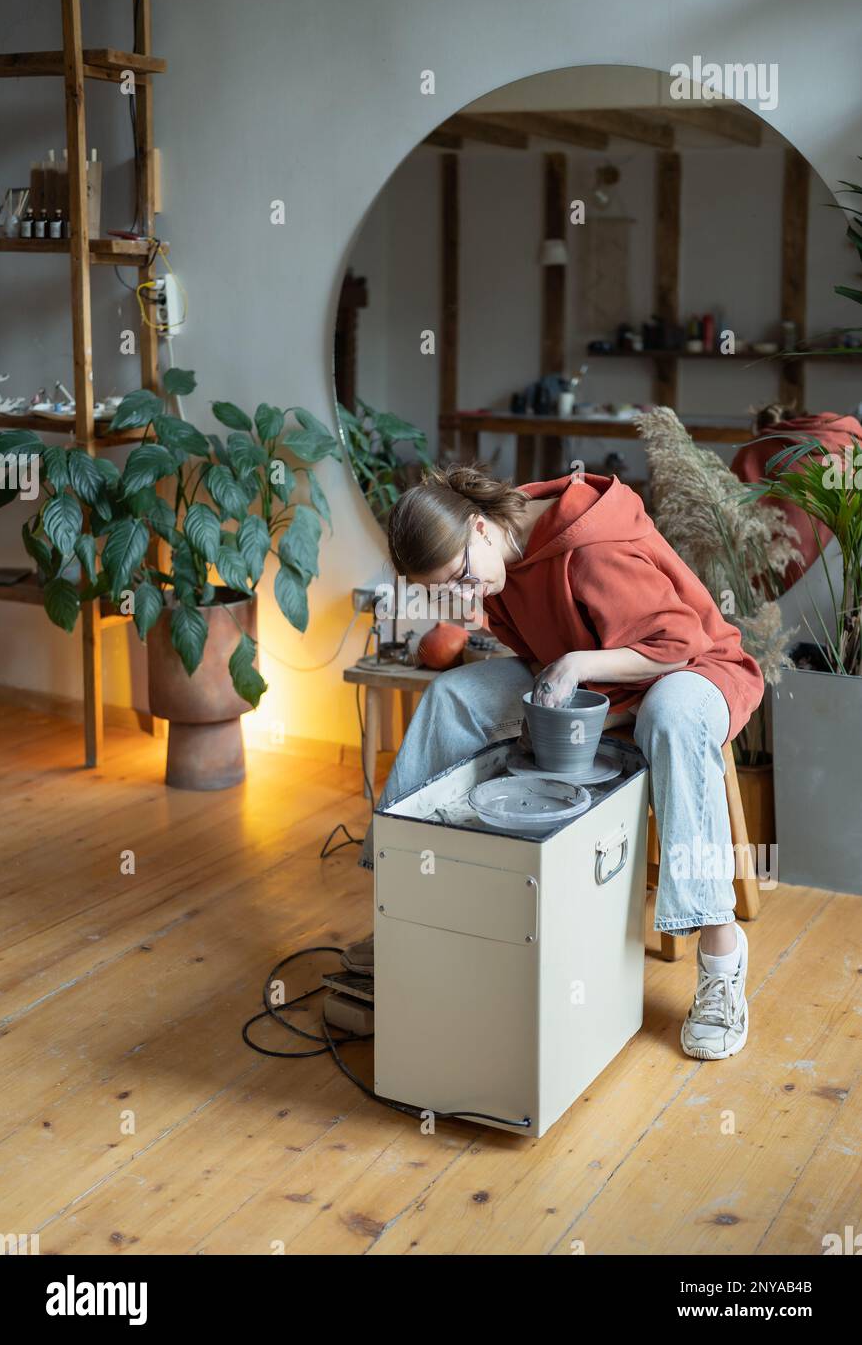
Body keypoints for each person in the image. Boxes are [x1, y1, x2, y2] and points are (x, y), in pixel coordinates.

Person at [357, 463, 765, 1060]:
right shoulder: (503, 549)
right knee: (451, 698)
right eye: (450, 590)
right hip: (603, 676)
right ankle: (408, 906)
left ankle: (722, 961)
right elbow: (536, 647)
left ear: (478, 528)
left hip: (694, 676)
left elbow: (679, 645)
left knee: (670, 720)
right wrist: (573, 680)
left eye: (464, 578)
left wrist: (576, 667)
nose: (466, 598)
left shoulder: (590, 547)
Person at [730, 403, 862, 588]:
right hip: (849, 584)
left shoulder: (754, 451)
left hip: (779, 584)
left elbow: (731, 525)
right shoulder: (855, 445)